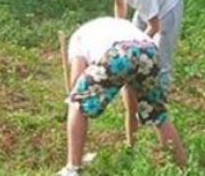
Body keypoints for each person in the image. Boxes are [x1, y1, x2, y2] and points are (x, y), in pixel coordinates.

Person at [57, 17, 187, 176]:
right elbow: (129, 80)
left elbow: (76, 81)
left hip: (120, 52)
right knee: (157, 114)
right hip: (149, 50)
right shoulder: (107, 27)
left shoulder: (77, 41)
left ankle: (72, 168)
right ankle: (184, 168)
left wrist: (73, 97)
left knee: (76, 102)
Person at [101, 0, 183, 146]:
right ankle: (134, 103)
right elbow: (119, 4)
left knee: (160, 59)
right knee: (132, 41)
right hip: (151, 2)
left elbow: (153, 26)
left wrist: (133, 47)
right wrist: (119, 31)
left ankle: (157, 108)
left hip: (168, 5)